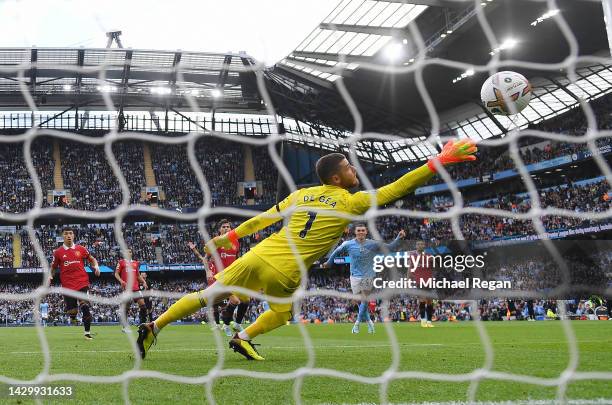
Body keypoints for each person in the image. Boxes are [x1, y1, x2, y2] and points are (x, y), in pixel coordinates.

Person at [137, 139, 477, 360]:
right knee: (283, 313)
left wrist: (233, 236)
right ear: (336, 179)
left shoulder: (300, 195)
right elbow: (397, 187)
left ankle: (155, 326)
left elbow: (266, 217)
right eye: (348, 166)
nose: (353, 169)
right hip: (286, 269)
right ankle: (242, 337)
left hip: (257, 253)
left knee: (206, 295)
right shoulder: (351, 201)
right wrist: (437, 162)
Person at [323, 224, 405, 334]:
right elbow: (336, 251)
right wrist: (329, 263)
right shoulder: (348, 244)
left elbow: (390, 247)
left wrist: (398, 238)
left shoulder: (373, 243)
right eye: (359, 230)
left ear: (366, 232)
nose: (361, 232)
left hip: (368, 276)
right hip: (354, 276)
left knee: (365, 300)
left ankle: (356, 324)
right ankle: (370, 323)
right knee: (361, 302)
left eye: (363, 230)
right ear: (355, 232)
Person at [49, 227, 101, 340]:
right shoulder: (58, 252)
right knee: (72, 311)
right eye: (66, 233)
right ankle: (73, 316)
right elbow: (53, 267)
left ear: (74, 236)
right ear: (62, 236)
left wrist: (96, 267)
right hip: (67, 285)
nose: (68, 235)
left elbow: (92, 259)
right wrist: (50, 275)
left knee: (85, 306)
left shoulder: (81, 249)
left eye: (70, 233)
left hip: (82, 282)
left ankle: (87, 333)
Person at [114, 248, 148, 332]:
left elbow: (138, 276)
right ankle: (125, 327)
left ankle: (142, 325)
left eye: (130, 251)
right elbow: (116, 274)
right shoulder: (121, 262)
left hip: (136, 288)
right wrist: (121, 281)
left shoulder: (136, 263)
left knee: (143, 306)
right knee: (126, 307)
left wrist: (143, 282)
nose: (128, 253)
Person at [409, 240, 435, 328]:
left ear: (424, 246)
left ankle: (429, 321)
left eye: (422, 244)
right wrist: (408, 279)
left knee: (430, 301)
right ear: (416, 246)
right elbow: (409, 268)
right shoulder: (412, 256)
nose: (420, 245)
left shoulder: (429, 256)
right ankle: (423, 320)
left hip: (429, 280)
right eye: (418, 244)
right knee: (422, 299)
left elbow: (435, 267)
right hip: (419, 280)